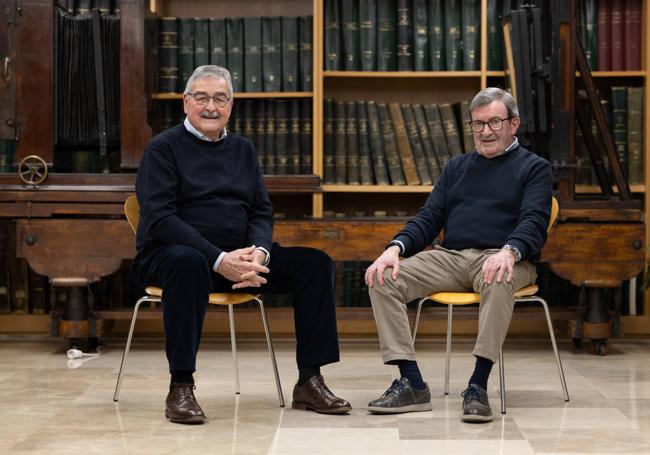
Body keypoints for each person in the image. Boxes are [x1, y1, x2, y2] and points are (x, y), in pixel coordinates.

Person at [133, 65, 351, 424]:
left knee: (315, 263)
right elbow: (160, 219)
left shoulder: (243, 150)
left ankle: (310, 380)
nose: (210, 107)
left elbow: (261, 211)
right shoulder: (162, 148)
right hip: (168, 255)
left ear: (231, 105)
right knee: (188, 262)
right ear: (186, 103)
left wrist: (259, 254)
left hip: (237, 258)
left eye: (220, 99)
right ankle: (181, 386)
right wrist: (218, 259)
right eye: (201, 97)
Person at [364, 88, 552, 422]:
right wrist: (393, 249)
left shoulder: (534, 168)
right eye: (478, 124)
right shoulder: (457, 167)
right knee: (383, 277)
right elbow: (428, 218)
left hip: (505, 258)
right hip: (451, 258)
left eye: (494, 122)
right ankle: (411, 381)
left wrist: (509, 252)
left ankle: (478, 385)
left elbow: (534, 222)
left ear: (514, 124)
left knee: (499, 275)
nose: (486, 131)